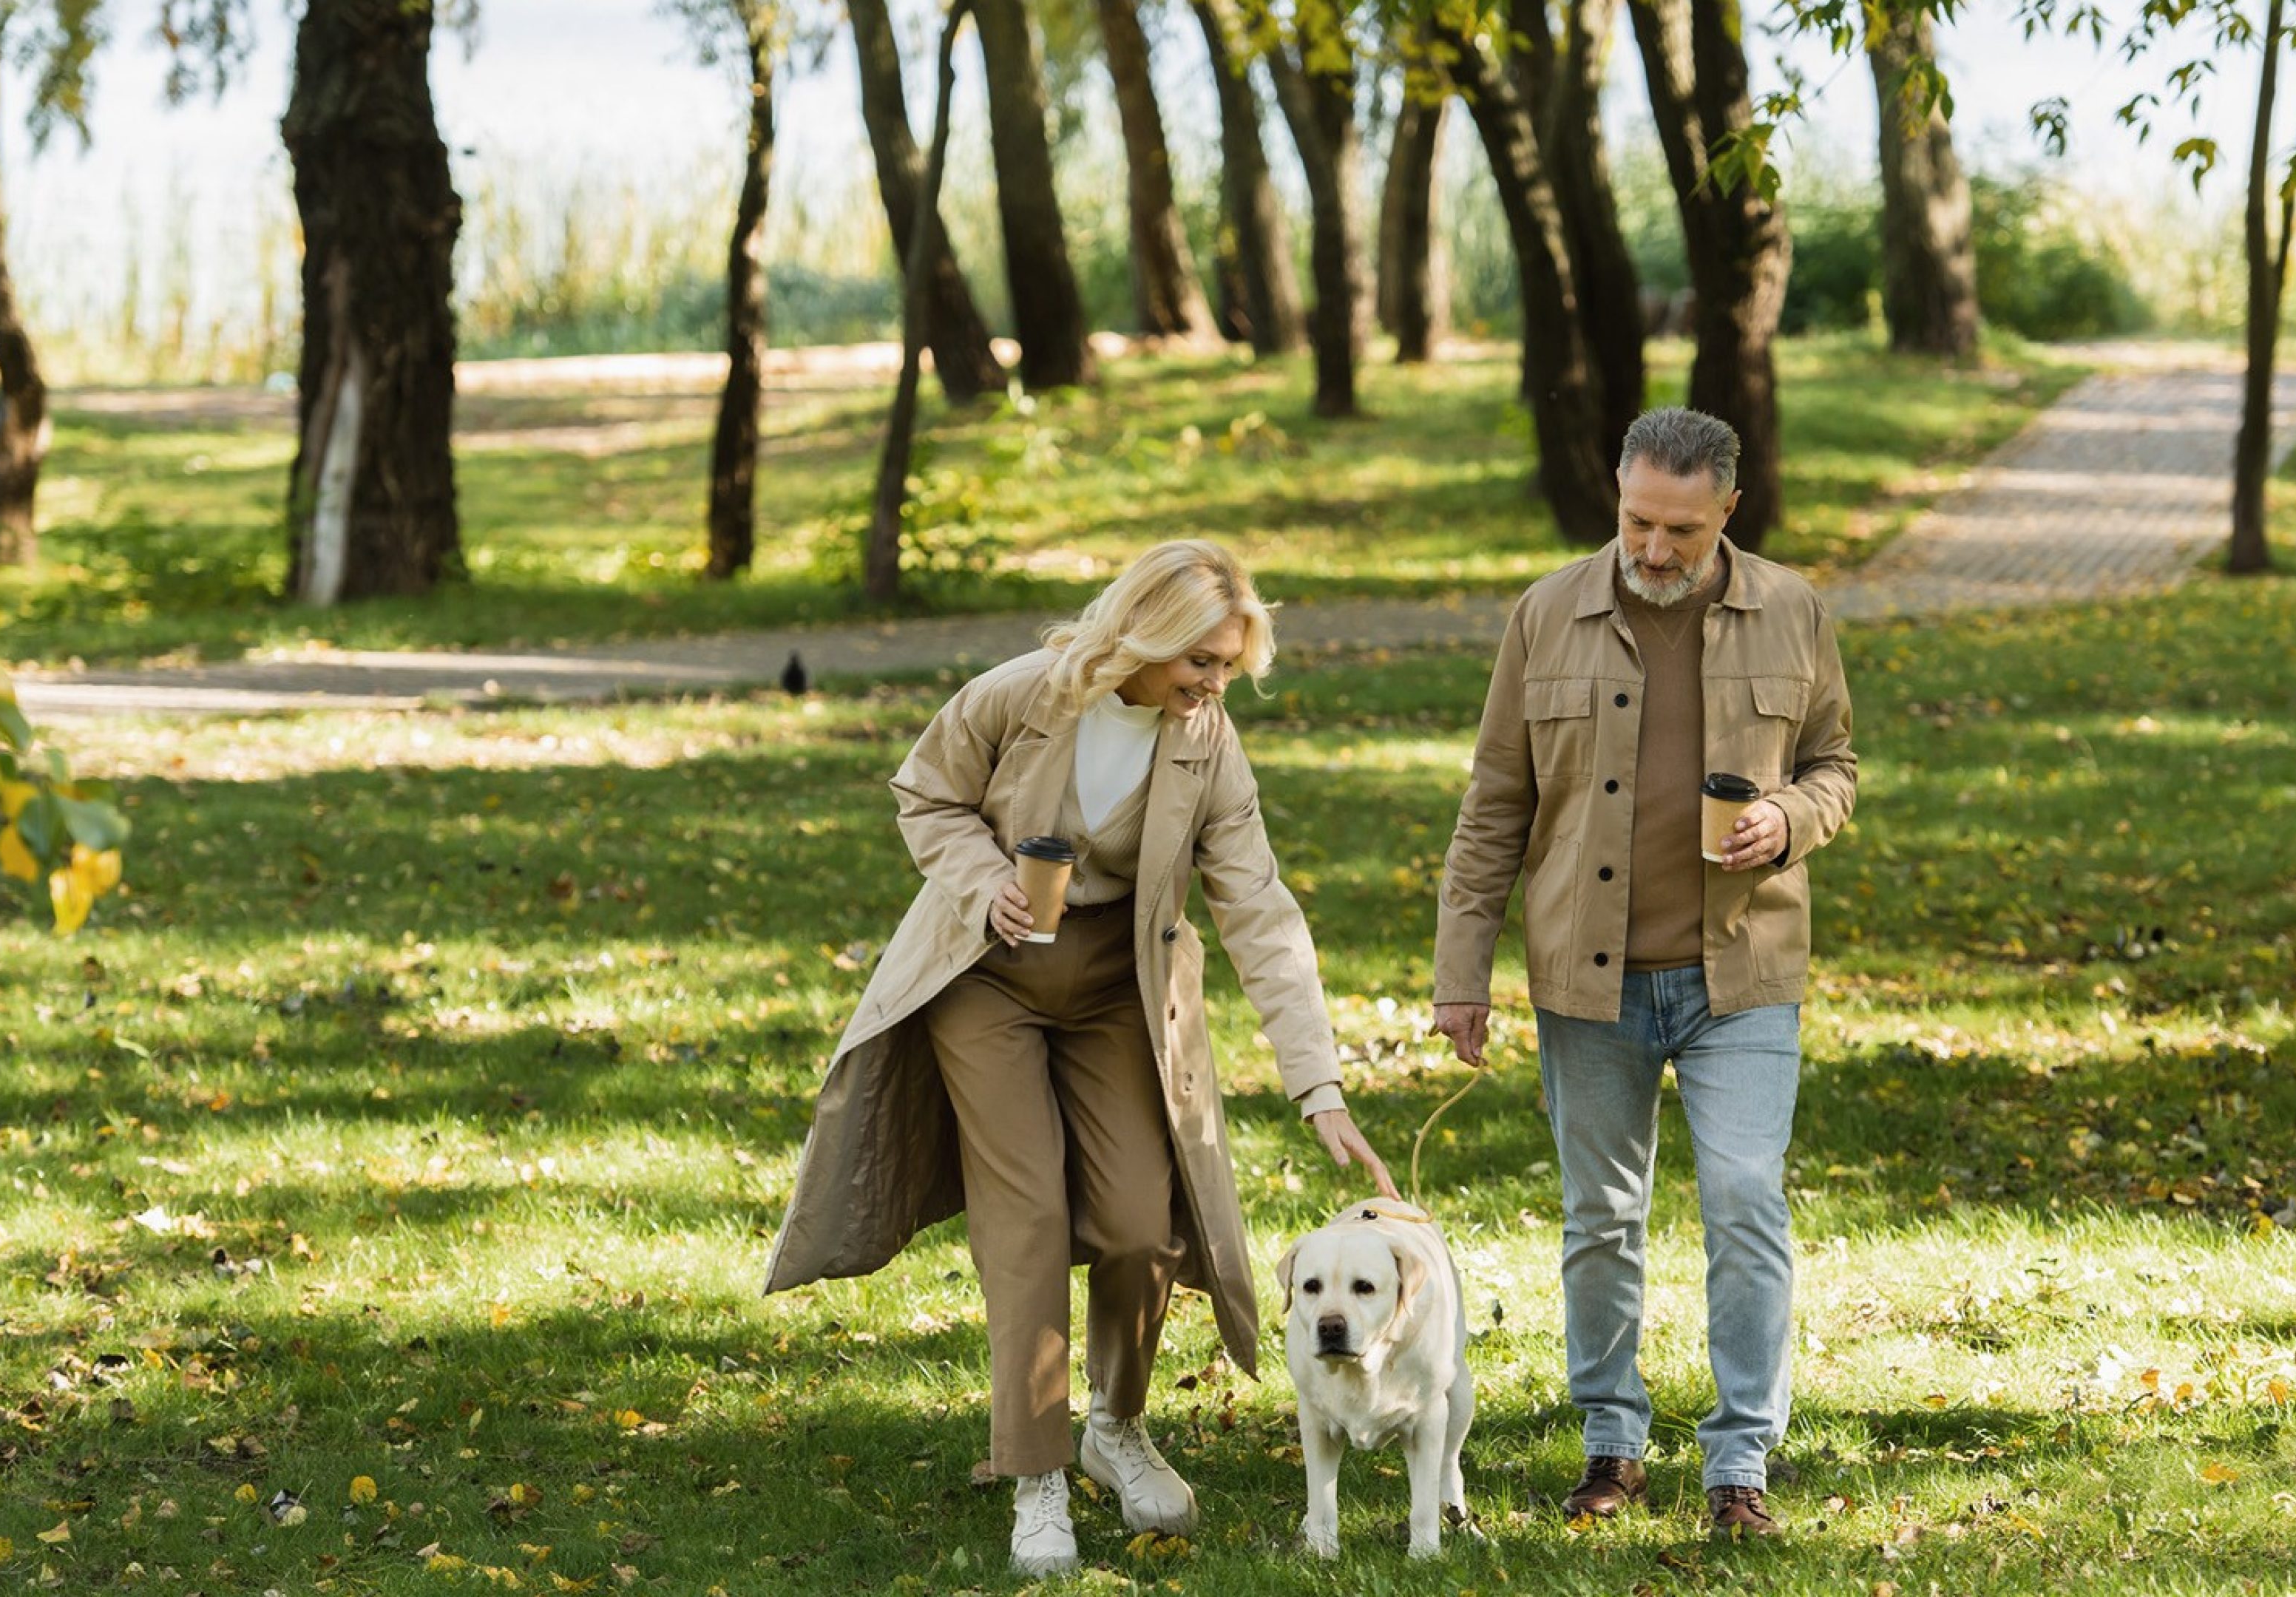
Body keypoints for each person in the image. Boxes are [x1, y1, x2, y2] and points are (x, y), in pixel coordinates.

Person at [765, 540, 1397, 1579]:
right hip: (986, 978)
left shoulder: (1205, 740)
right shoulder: (1017, 697)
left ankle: (1116, 1423)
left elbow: (1258, 907)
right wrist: (983, 881)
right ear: (1141, 635)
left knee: (1143, 1223)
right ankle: (1036, 1473)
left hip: (1118, 986)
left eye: (1228, 668)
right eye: (1199, 662)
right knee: (1025, 1225)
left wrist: (1316, 1081)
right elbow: (924, 794)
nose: (1213, 686)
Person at [1430, 407, 1857, 1539]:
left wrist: (1790, 816)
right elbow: (1493, 811)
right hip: (1590, 977)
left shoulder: (1794, 610)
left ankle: (1738, 1463)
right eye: (1634, 521)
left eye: (1678, 527)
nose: (1652, 550)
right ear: (1615, 498)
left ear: (1729, 507)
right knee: (1602, 1219)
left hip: (1743, 975)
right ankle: (1611, 1444)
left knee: (1743, 1202)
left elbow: (1835, 765)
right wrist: (1458, 976)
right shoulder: (1545, 614)